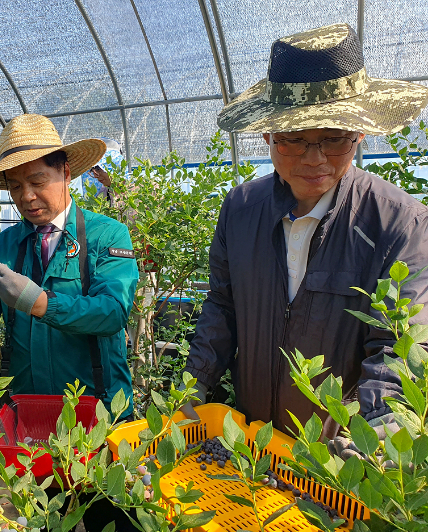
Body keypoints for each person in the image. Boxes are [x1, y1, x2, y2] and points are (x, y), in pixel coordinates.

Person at [181, 23, 428, 444]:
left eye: (335, 140)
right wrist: (194, 384)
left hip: (336, 456)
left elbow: (398, 346)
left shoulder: (398, 222)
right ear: (268, 136)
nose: (315, 159)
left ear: (359, 135)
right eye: (294, 140)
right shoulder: (241, 210)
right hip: (252, 440)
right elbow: (222, 305)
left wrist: (378, 432)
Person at [0, 114, 138, 531]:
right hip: (33, 421)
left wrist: (40, 303)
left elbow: (111, 313)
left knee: (111, 515)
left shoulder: (107, 235)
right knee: (49, 518)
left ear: (66, 172)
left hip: (99, 414)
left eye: (38, 181)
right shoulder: (5, 244)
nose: (27, 196)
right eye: (16, 186)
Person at [80, 137, 125, 203]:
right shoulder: (103, 194)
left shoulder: (136, 192)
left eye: (98, 169)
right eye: (92, 170)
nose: (95, 176)